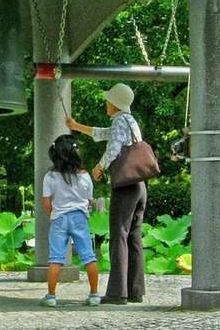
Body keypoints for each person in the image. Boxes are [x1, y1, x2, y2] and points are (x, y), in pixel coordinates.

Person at [66, 83, 146, 305]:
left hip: (126, 187)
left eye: (108, 100)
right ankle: (135, 290)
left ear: (115, 104)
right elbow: (102, 134)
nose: (106, 103)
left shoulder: (120, 121)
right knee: (133, 238)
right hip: (140, 187)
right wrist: (76, 126)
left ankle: (117, 293)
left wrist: (100, 167)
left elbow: (113, 147)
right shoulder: (129, 121)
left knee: (118, 236)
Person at [40, 134, 101, 307]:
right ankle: (95, 295)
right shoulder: (85, 175)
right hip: (80, 217)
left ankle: (51, 297)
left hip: (59, 218)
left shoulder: (50, 177)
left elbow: (46, 203)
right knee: (89, 257)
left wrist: (54, 214)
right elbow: (89, 200)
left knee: (56, 259)